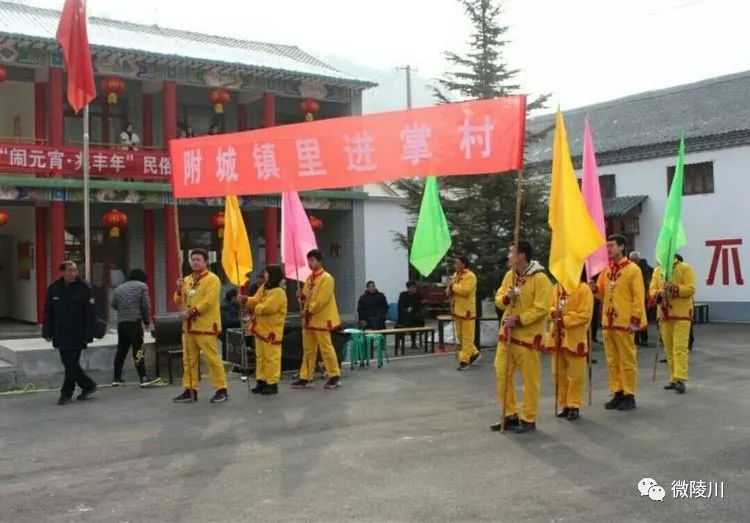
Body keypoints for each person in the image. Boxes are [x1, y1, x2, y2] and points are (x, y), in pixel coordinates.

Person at [492, 241, 552, 434]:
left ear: (522, 255)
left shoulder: (541, 279)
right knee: (502, 374)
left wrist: (519, 320)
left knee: (530, 380)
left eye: (512, 252)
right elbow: (499, 300)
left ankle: (529, 418)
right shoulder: (510, 276)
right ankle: (509, 414)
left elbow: (542, 309)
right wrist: (506, 299)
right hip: (507, 336)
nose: (509, 256)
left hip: (527, 337)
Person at [590, 235, 647, 412]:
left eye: (612, 246)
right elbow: (601, 293)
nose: (609, 249)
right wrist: (593, 288)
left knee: (627, 360)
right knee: (612, 360)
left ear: (622, 247)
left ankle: (630, 395)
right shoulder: (606, 270)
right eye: (607, 246)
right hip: (608, 322)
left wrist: (635, 320)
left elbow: (638, 296)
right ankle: (618, 391)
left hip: (625, 322)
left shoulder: (633, 270)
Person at [172, 248, 228, 404]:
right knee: (189, 361)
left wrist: (191, 312)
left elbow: (209, 302)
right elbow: (178, 300)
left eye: (198, 259)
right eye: (193, 259)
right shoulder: (187, 279)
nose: (195, 262)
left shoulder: (213, 279)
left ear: (205, 262)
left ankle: (221, 389)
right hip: (189, 328)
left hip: (206, 326)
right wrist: (178, 290)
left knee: (212, 359)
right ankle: (190, 389)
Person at [43, 261, 99, 405]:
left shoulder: (84, 287)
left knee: (71, 363)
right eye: (70, 271)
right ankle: (88, 385)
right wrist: (47, 331)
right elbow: (48, 312)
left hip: (78, 332)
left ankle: (66, 393)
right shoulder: (54, 288)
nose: (73, 273)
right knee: (68, 363)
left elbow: (91, 312)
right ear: (62, 272)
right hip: (61, 332)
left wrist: (90, 333)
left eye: (75, 270)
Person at [545, 271, 594, 421]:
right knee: (557, 373)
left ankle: (574, 405)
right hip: (557, 337)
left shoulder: (584, 289)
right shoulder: (556, 288)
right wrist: (553, 313)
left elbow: (585, 314)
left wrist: (564, 319)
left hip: (574, 338)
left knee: (576, 375)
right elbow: (548, 306)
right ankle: (564, 403)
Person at [292, 249, 342, 390]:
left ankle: (334, 375)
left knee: (326, 348)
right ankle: (305, 377)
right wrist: (301, 295)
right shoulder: (310, 278)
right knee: (308, 350)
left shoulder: (327, 278)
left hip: (321, 319)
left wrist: (308, 310)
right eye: (309, 260)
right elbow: (307, 295)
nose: (310, 263)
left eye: (312, 260)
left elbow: (322, 301)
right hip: (309, 321)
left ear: (320, 261)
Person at [649, 254, 696, 394]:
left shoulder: (685, 268)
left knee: (680, 348)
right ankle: (674, 378)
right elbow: (652, 290)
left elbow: (690, 289)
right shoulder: (657, 271)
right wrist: (659, 293)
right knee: (668, 348)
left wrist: (674, 288)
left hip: (681, 314)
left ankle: (681, 378)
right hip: (664, 315)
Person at [239, 265, 288, 395]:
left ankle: (272, 383)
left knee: (271, 358)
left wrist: (255, 307)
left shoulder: (279, 292)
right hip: (260, 329)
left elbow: (267, 308)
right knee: (260, 357)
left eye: (266, 273)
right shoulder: (264, 288)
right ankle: (261, 380)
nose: (264, 275)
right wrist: (245, 300)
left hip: (271, 332)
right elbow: (255, 300)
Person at [111, 269, 160, 387]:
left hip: (122, 323)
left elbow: (113, 304)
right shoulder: (142, 286)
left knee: (121, 351)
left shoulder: (119, 288)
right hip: (134, 322)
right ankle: (143, 377)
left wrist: (124, 310)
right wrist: (147, 321)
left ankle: (116, 378)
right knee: (138, 350)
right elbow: (145, 305)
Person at [447, 256, 481, 370]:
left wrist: (453, 286)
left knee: (467, 338)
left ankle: (464, 360)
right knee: (460, 336)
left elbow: (465, 291)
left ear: (464, 264)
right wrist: (448, 287)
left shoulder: (470, 276)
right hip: (457, 310)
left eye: (457, 263)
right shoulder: (455, 275)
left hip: (467, 311)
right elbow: (450, 291)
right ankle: (475, 353)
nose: (455, 265)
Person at [629, 251, 654, 346]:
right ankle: (640, 338)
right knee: (641, 316)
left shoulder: (643, 269)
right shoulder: (647, 268)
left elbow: (648, 282)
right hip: (640, 295)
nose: (632, 261)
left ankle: (640, 339)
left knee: (640, 316)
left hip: (642, 295)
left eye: (633, 260)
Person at [397, 281, 424, 349]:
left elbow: (419, 306)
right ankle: (399, 339)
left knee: (415, 320)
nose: (415, 289)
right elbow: (401, 306)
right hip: (404, 315)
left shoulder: (417, 296)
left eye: (415, 287)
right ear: (408, 288)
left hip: (414, 314)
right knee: (407, 320)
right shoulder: (403, 295)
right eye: (412, 287)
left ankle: (413, 342)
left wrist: (412, 309)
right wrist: (407, 309)